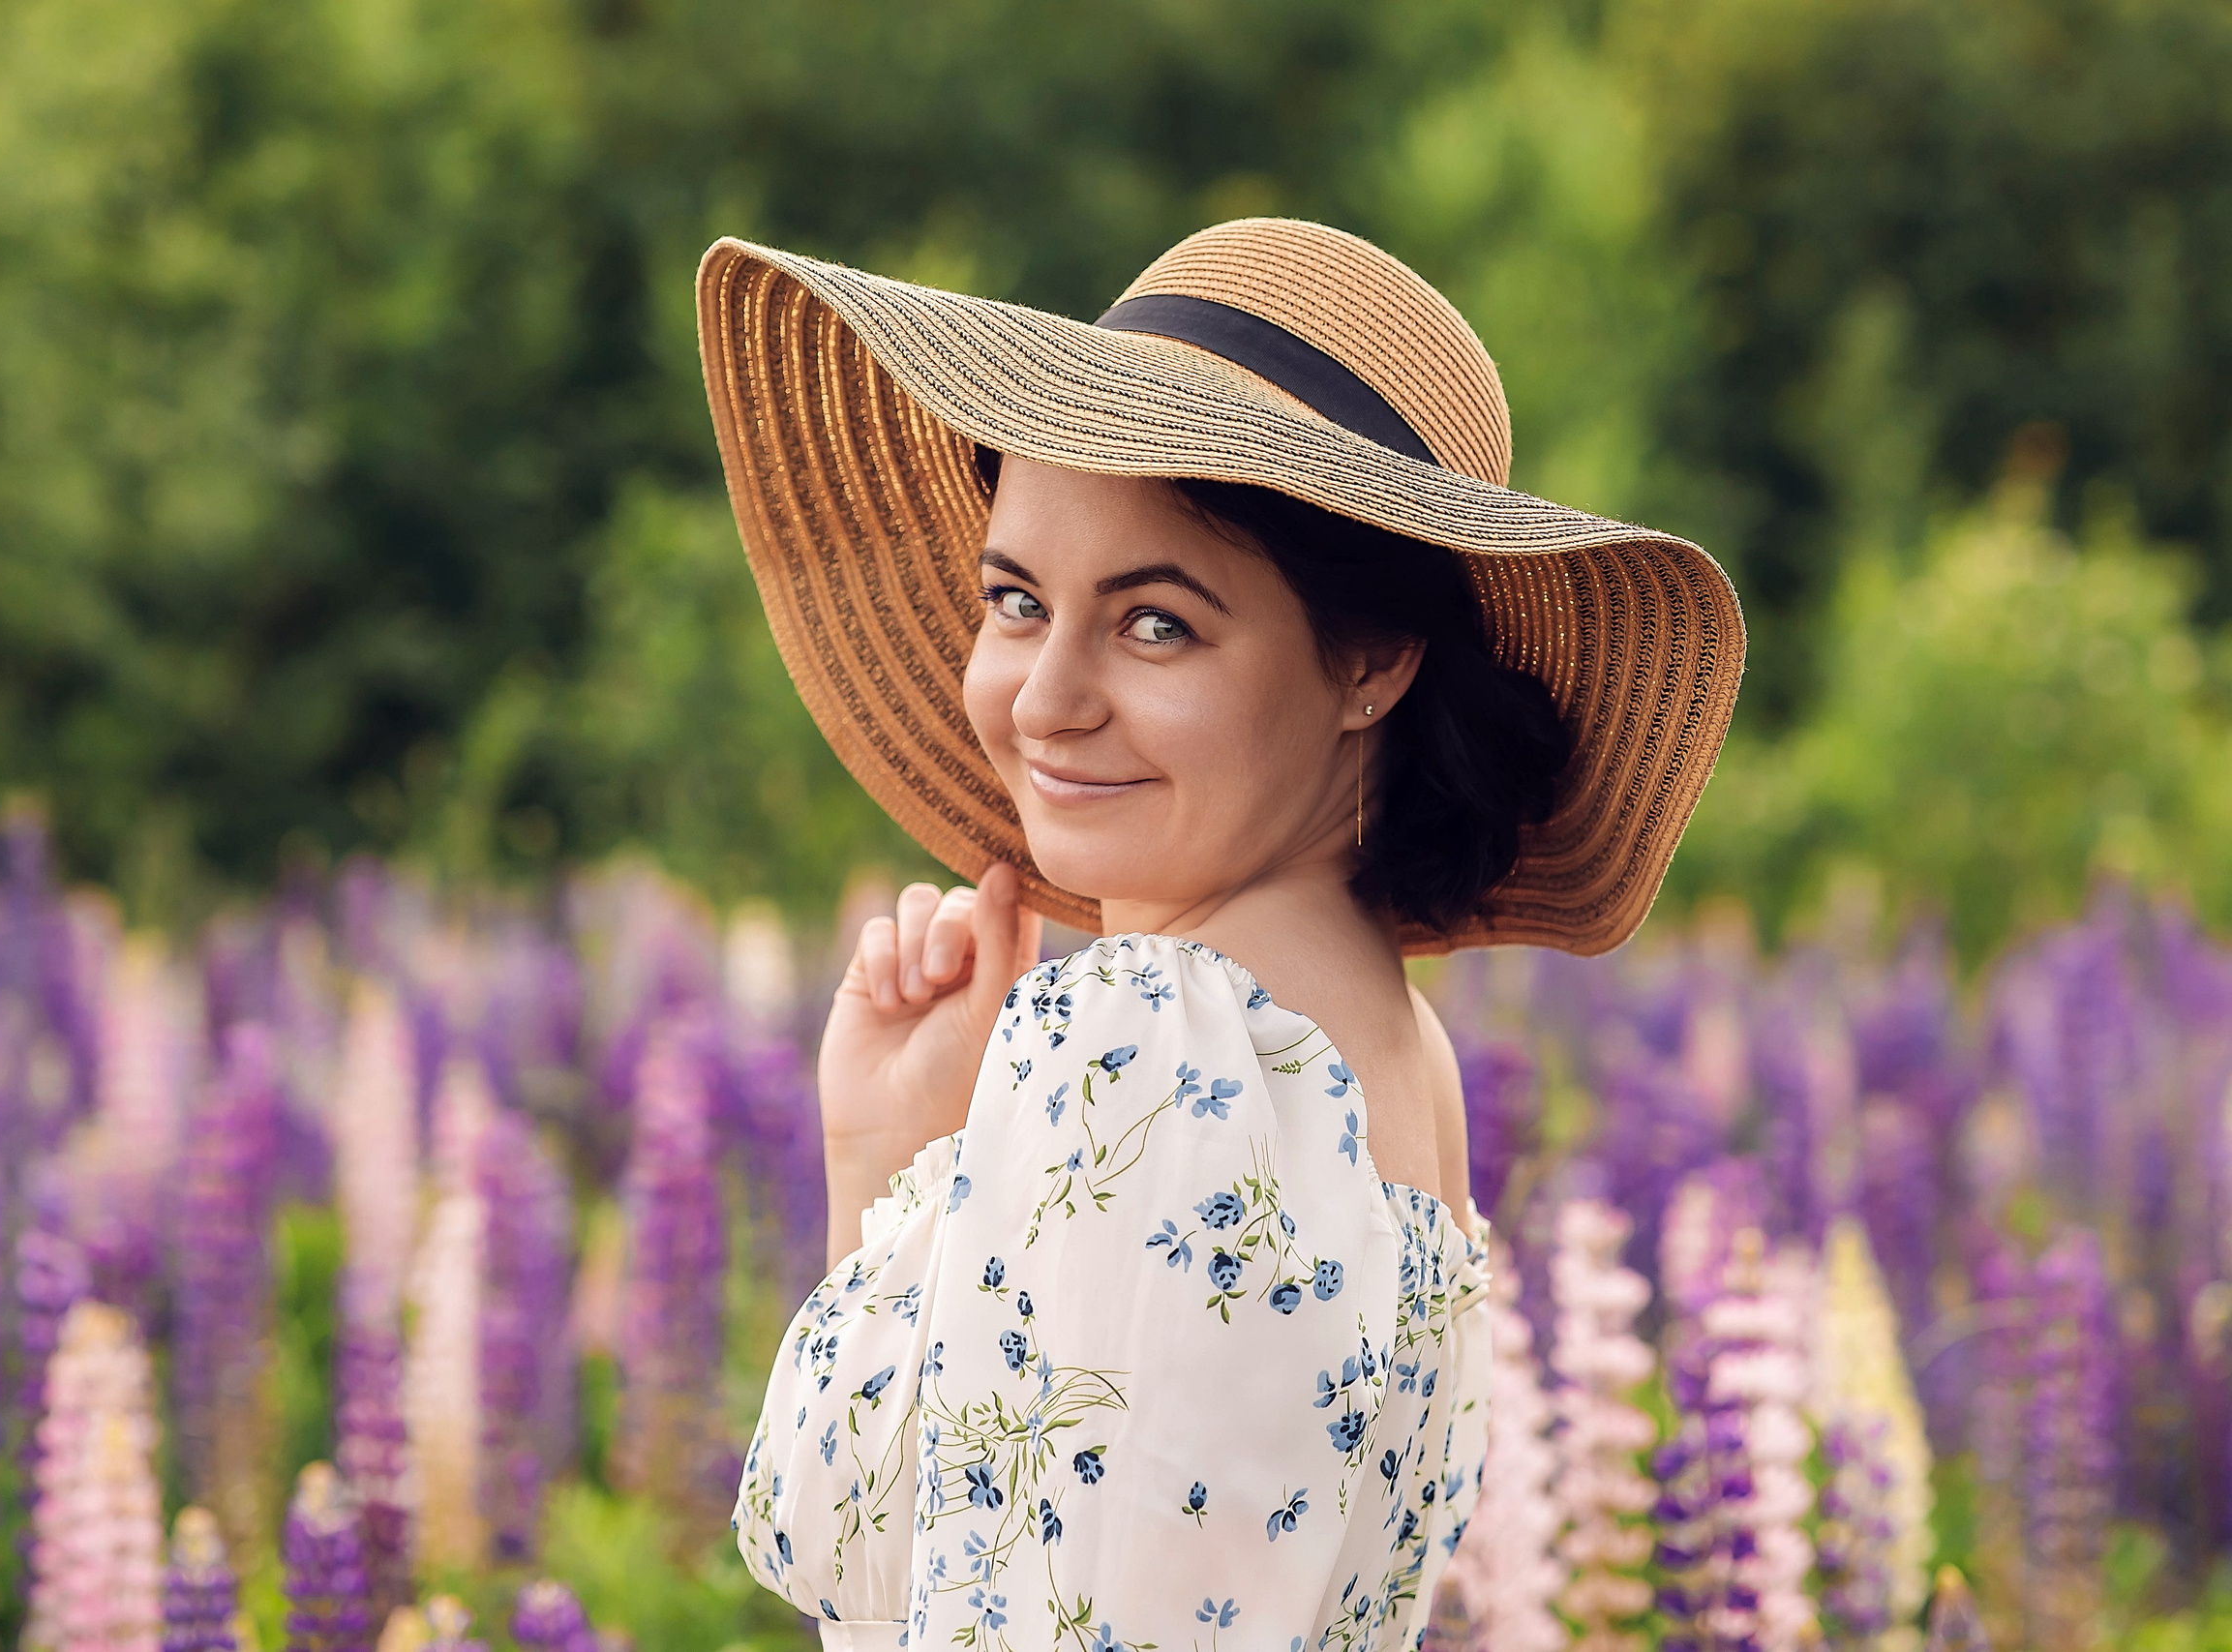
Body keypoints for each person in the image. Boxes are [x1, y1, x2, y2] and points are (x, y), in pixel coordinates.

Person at [696, 218, 1742, 1649]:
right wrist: (893, 1156)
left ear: (1369, 659)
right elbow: (920, 1557)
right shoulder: (1380, 1048)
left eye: (1156, 626)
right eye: (1016, 601)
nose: (1044, 697)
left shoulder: (1150, 1040)